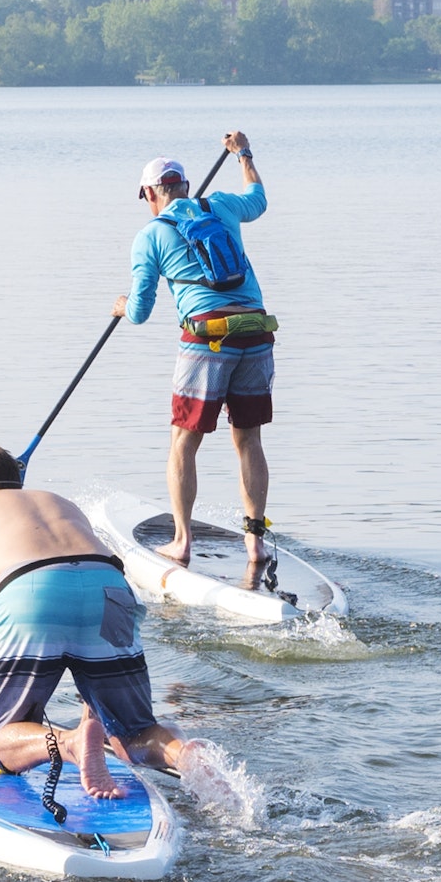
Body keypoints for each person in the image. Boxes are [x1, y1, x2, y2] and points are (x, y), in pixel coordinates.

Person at [0, 443, 223, 804]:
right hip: (110, 584)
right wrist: (95, 722)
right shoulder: (58, 503)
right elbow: (81, 589)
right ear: (17, 484)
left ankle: (68, 742)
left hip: (31, 588)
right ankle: (186, 753)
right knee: (135, 735)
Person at [117, 132, 275, 579]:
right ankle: (255, 542)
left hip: (208, 340)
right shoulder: (221, 205)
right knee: (248, 439)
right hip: (256, 331)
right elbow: (258, 199)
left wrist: (120, 306)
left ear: (151, 193)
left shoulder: (150, 235)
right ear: (184, 186)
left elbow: (140, 312)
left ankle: (182, 542)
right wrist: (243, 154)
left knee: (183, 442)